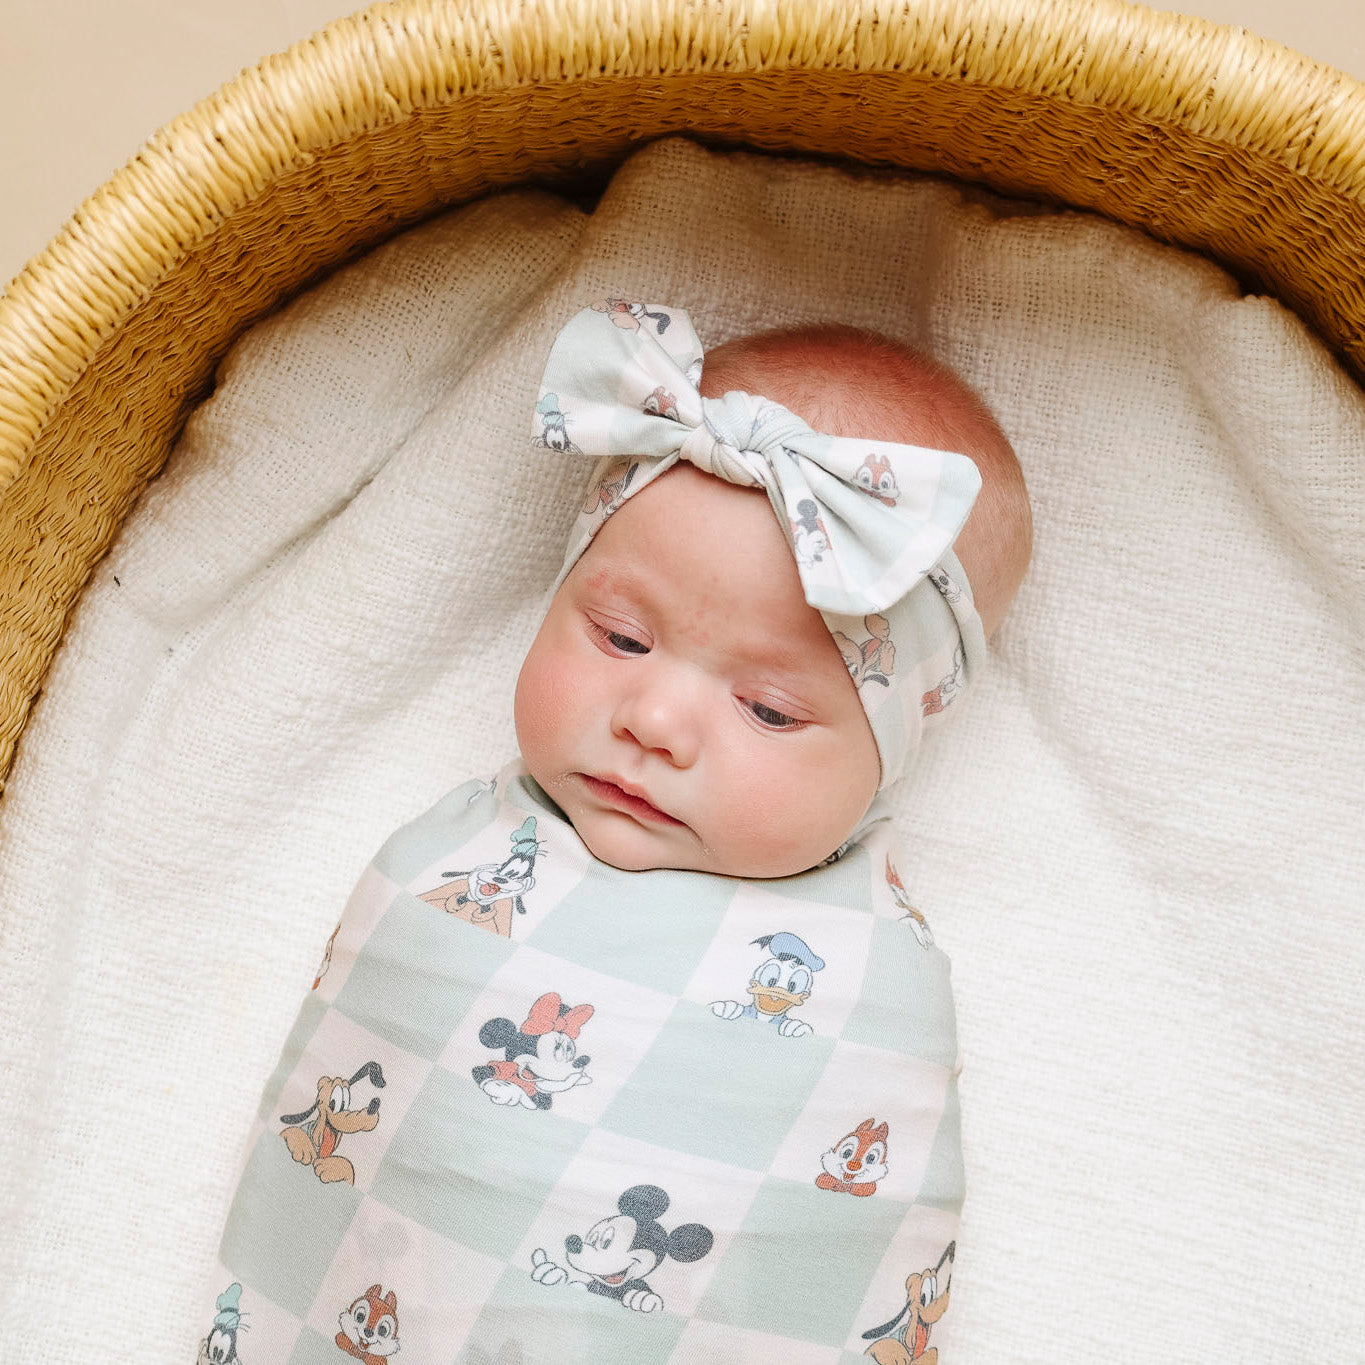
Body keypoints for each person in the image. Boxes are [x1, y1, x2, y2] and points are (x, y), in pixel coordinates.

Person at [197, 303, 1031, 1365]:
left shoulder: (877, 982)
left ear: (895, 742)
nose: (655, 720)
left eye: (768, 709)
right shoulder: (458, 869)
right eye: (622, 637)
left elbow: (830, 1254)